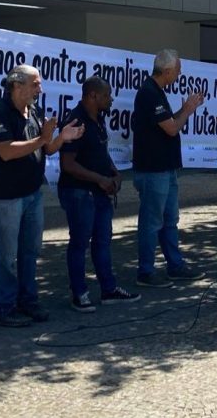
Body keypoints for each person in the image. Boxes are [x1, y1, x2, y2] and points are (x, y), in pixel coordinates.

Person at [0, 64, 84, 327]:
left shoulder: (34, 110)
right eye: (35, 84)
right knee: (7, 256)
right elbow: (6, 151)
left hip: (32, 193)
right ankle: (4, 309)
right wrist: (42, 139)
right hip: (8, 197)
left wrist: (62, 137)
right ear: (17, 85)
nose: (40, 88)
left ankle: (28, 301)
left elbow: (47, 149)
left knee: (30, 251)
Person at [58, 77, 140, 312]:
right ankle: (80, 293)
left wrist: (113, 173)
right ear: (92, 95)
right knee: (79, 243)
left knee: (103, 241)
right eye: (106, 95)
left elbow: (101, 152)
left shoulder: (99, 120)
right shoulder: (75, 120)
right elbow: (68, 164)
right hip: (80, 193)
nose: (111, 99)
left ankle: (109, 289)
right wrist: (100, 179)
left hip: (101, 193)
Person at [132, 49, 206, 286]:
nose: (179, 74)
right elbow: (172, 128)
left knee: (169, 220)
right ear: (166, 71)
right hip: (154, 170)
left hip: (165, 168)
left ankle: (175, 265)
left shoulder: (156, 92)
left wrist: (182, 111)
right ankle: (146, 270)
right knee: (152, 222)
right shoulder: (149, 93)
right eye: (177, 70)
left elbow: (167, 122)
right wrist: (188, 110)